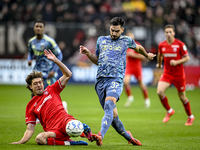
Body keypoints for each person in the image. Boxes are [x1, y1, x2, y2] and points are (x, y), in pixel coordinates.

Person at [79, 17, 156, 146]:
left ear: (122, 30)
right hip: (100, 81)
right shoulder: (101, 40)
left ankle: (100, 135)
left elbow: (138, 47)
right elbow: (98, 61)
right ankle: (128, 137)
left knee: (109, 104)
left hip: (116, 79)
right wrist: (88, 53)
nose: (114, 33)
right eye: (112, 30)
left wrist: (146, 55)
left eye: (117, 31)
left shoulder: (126, 40)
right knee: (113, 117)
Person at [11, 49, 92, 145]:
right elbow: (29, 129)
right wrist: (20, 142)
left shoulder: (52, 89)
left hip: (65, 122)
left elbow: (68, 74)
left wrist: (55, 60)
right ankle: (70, 143)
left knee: (72, 126)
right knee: (39, 139)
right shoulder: (30, 106)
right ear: (30, 87)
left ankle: (82, 129)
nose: (39, 85)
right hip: (53, 131)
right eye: (35, 84)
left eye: (40, 82)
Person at [156, 24, 195, 126]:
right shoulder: (162, 45)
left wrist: (176, 62)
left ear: (174, 33)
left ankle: (190, 116)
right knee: (160, 91)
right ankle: (169, 111)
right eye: (167, 32)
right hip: (167, 74)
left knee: (182, 97)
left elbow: (187, 58)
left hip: (179, 75)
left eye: (170, 32)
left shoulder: (180, 44)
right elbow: (160, 55)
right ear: (165, 33)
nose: (168, 34)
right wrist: (159, 64)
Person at [27, 20, 63, 89]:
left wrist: (53, 70)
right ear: (34, 28)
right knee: (35, 95)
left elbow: (59, 55)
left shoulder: (49, 41)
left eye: (40, 27)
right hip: (37, 72)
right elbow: (30, 52)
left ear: (44, 29)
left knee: (50, 95)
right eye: (37, 26)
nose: (38, 28)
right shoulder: (31, 42)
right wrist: (29, 59)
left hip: (49, 73)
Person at [124, 31, 151, 108]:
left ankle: (147, 99)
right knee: (125, 82)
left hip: (137, 67)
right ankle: (130, 97)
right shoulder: (126, 46)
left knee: (141, 84)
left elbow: (143, 57)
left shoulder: (137, 45)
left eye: (131, 37)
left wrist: (133, 55)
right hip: (129, 67)